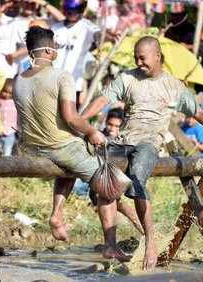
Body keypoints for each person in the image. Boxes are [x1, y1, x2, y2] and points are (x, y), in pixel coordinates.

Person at [80, 36, 203, 270]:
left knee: (138, 178)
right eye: (136, 58)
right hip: (122, 141)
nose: (138, 62)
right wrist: (80, 122)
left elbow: (199, 114)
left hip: (148, 143)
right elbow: (102, 100)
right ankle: (109, 243)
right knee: (102, 183)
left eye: (143, 58)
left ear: (157, 57)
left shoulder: (174, 87)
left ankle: (150, 240)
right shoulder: (127, 78)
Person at [12, 26, 131, 262]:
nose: (56, 49)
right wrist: (92, 131)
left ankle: (57, 216)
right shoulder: (61, 75)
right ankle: (110, 246)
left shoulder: (18, 80)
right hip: (60, 147)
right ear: (49, 49)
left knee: (73, 160)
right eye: (55, 46)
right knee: (109, 183)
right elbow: (71, 117)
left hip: (33, 149)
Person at [51, 0, 100, 108]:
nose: (71, 13)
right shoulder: (56, 27)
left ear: (81, 10)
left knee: (69, 114)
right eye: (68, 10)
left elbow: (97, 34)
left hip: (72, 82)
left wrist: (103, 38)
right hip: (53, 80)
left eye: (74, 11)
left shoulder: (86, 26)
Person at [0, 78, 17, 156]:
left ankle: (5, 168)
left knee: (7, 154)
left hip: (9, 133)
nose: (7, 95)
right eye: (5, 92)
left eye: (10, 93)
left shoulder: (15, 103)